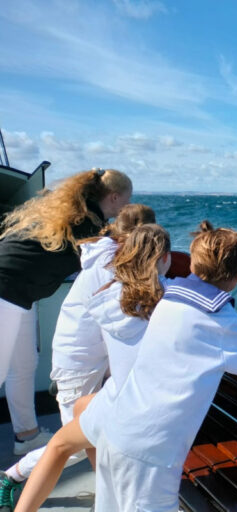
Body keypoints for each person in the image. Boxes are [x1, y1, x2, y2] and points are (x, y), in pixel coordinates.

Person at [14, 220, 237, 512]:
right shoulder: (220, 323)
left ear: (192, 263)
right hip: (149, 453)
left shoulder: (168, 299)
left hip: (115, 426)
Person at [0, 204, 156, 507]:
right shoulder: (107, 266)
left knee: (97, 433)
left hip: (91, 361)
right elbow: (123, 319)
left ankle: (112, 496)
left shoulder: (109, 257)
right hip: (78, 366)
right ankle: (11, 476)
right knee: (75, 441)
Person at [0, 169, 132, 455]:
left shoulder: (70, 214)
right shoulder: (88, 226)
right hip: (5, 289)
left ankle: (26, 436)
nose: (125, 209)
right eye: (125, 202)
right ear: (114, 197)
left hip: (20, 293)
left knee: (23, 366)